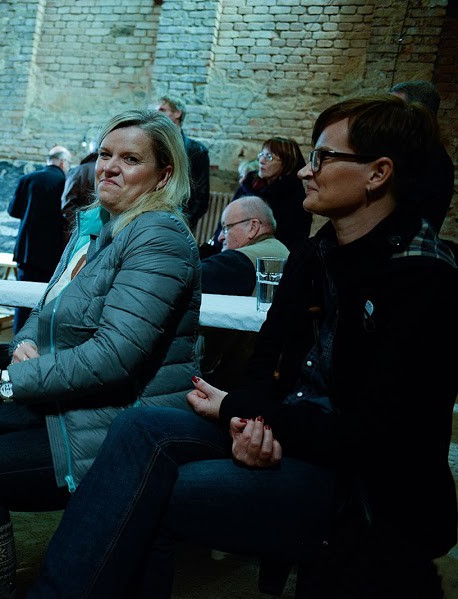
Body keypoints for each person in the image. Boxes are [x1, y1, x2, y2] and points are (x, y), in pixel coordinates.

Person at [30, 95, 458, 598]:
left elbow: (376, 434)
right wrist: (250, 422)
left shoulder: (424, 279)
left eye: (323, 158)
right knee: (139, 427)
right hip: (286, 433)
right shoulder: (313, 256)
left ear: (378, 173)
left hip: (365, 482)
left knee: (145, 492)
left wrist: (247, 414)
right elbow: (264, 365)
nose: (305, 171)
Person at [0, 109, 202, 598]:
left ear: (164, 175)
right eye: (106, 154)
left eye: (130, 159)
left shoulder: (158, 236)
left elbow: (115, 357)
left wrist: (2, 384)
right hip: (69, 398)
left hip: (119, 417)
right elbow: (45, 309)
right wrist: (23, 346)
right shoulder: (97, 226)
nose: (109, 167)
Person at [8, 145, 72, 333]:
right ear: (63, 162)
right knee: (46, 301)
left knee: (22, 300)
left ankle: (17, 340)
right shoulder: (65, 182)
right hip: (52, 252)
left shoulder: (28, 178)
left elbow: (13, 211)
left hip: (26, 251)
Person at [390, 80, 455, 233]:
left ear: (417, 111)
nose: (388, 115)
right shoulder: (409, 150)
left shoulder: (430, 161)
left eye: (395, 108)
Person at [200, 195, 289, 296]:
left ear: (252, 227)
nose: (220, 238)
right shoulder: (277, 249)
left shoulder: (242, 261)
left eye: (226, 228)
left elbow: (192, 276)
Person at [158, 95, 210, 229]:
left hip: (180, 221)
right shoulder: (153, 145)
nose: (158, 114)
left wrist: (184, 223)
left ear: (177, 113)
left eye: (162, 110)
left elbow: (201, 196)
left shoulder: (197, 151)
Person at [60, 150, 97, 235]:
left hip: (78, 230)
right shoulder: (108, 172)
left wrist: (80, 226)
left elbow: (67, 205)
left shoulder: (78, 171)